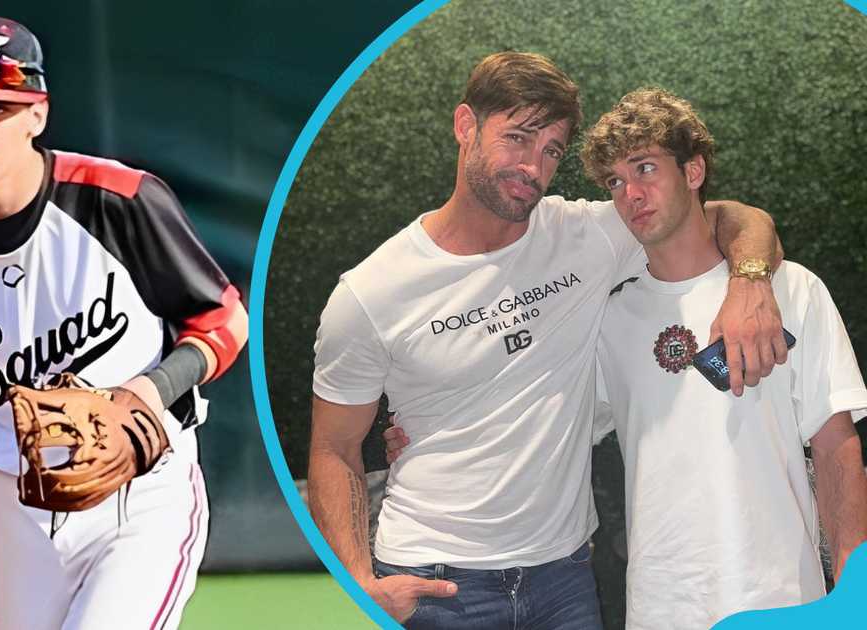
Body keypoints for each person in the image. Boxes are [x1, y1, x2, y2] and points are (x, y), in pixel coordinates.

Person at [308, 52, 786, 629]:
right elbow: (334, 449)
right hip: (436, 583)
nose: (533, 167)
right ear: (466, 126)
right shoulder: (370, 292)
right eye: (517, 138)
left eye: (551, 150)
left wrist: (750, 282)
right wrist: (359, 581)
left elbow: (731, 215)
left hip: (564, 580)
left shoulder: (588, 236)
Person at [0, 14, 247, 630]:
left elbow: (223, 320)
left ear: (37, 114)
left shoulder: (118, 200)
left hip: (141, 488)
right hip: (20, 503)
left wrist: (145, 392)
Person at [579, 88, 867, 628]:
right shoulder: (607, 320)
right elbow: (558, 429)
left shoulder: (791, 288)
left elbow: (834, 445)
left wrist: (856, 586)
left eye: (645, 168)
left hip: (781, 598)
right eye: (615, 181)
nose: (630, 194)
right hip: (659, 607)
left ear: (693, 172)